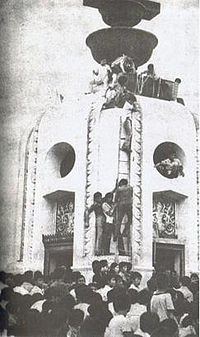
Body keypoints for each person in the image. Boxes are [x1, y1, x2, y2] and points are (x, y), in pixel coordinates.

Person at [114, 179, 133, 244]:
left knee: (119, 220)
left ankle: (116, 234)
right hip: (129, 204)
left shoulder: (119, 189)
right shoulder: (130, 188)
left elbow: (116, 198)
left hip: (121, 204)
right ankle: (125, 231)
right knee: (130, 219)